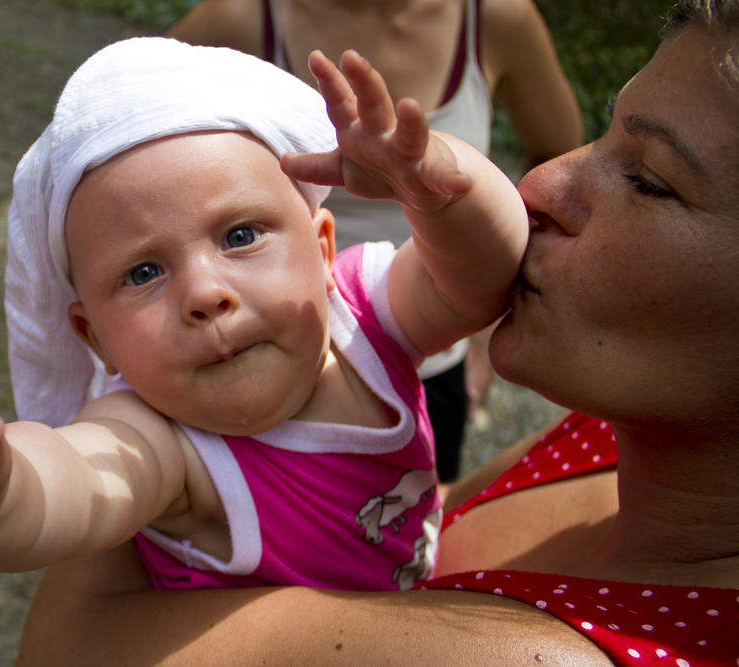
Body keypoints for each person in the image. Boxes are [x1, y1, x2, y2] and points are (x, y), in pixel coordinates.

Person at [16, 1, 739, 664]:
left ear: (325, 247)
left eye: (650, 180)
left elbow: (58, 644)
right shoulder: (604, 435)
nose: (542, 180)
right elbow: (398, 510)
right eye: (144, 271)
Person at [0, 38, 527, 591]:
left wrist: (440, 185)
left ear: (324, 247)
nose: (204, 292)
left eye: (240, 235)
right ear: (92, 337)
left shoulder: (365, 314)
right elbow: (76, 481)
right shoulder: (166, 442)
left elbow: (484, 272)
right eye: (143, 272)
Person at [169, 0, 585, 481]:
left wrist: (494, 317)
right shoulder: (241, 18)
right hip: (263, 357)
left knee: (407, 536)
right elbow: (114, 142)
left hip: (431, 353)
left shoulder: (497, 18)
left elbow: (560, 167)